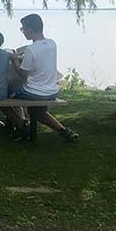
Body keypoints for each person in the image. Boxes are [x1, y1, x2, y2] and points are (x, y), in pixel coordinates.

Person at [11, 14, 79, 142]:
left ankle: (21, 126)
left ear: (30, 29)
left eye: (23, 29)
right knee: (38, 113)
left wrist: (15, 61)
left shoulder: (31, 50)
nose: (23, 31)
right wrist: (24, 51)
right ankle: (64, 131)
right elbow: (38, 52)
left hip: (34, 92)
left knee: (4, 95)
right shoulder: (52, 44)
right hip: (51, 91)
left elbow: (23, 75)